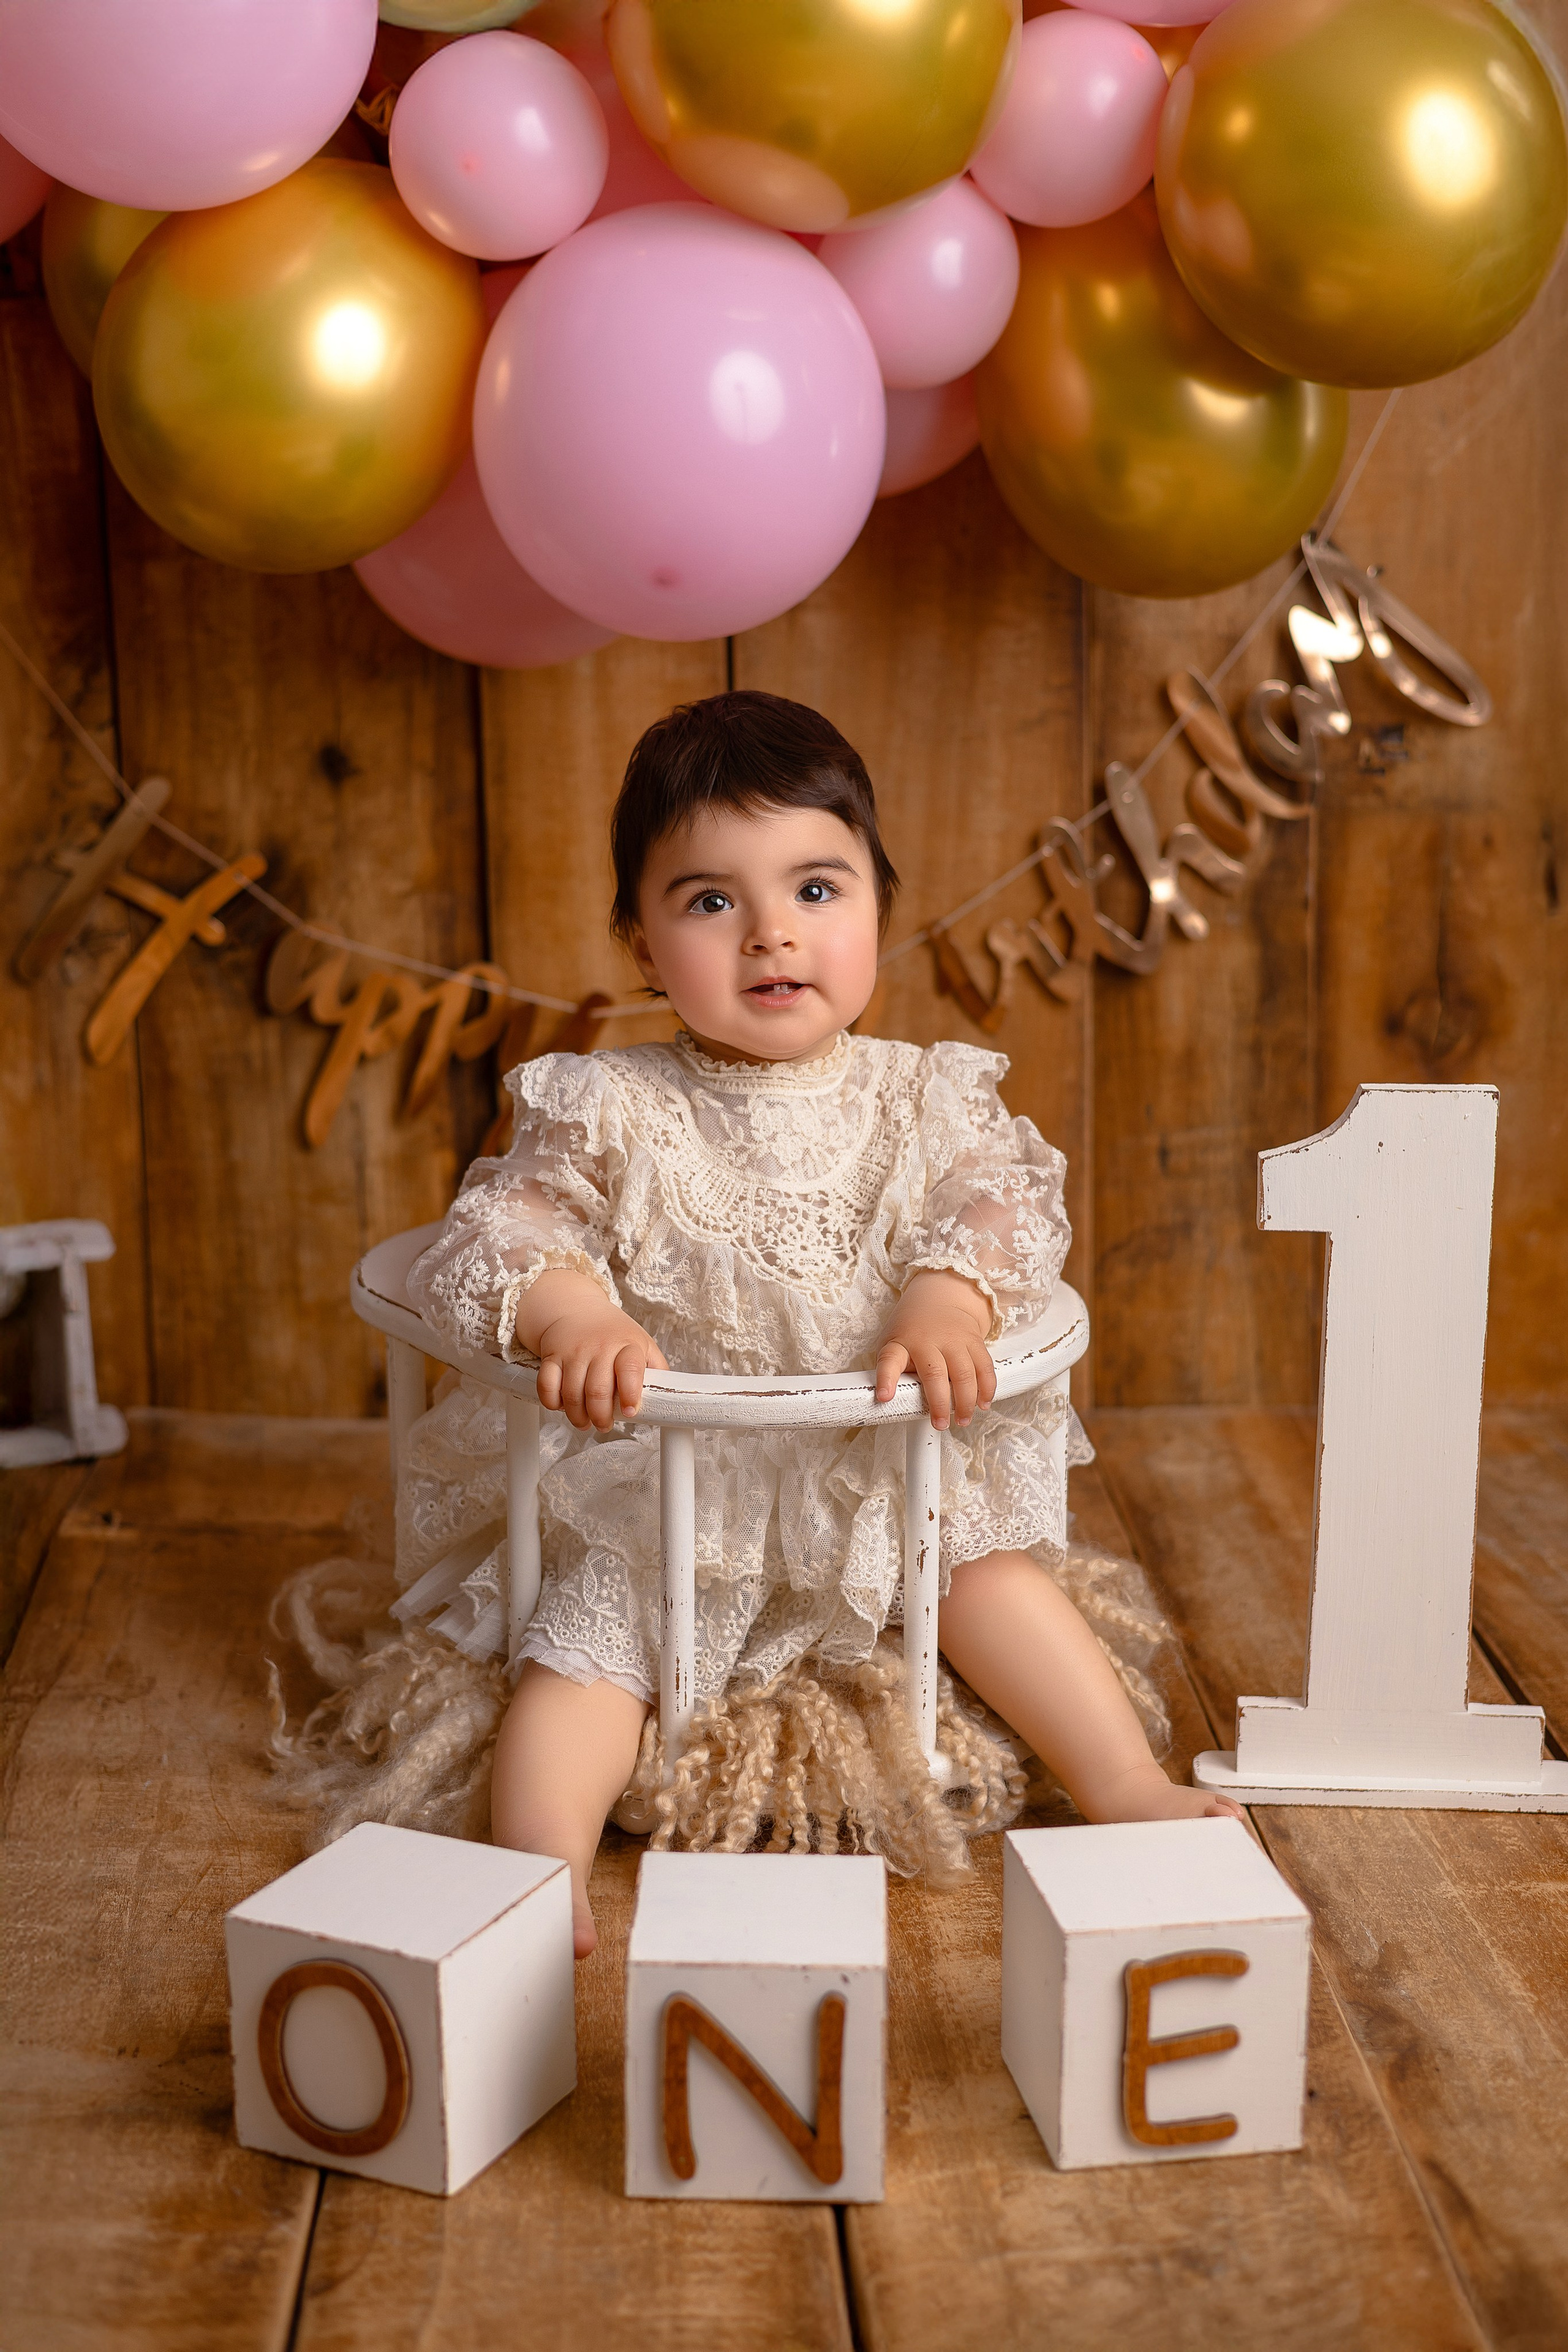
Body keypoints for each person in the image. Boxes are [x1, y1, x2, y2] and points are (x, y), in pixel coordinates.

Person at [336, 688, 1234, 1960]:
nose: (771, 933)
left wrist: (946, 1289)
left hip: (876, 1462)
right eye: (709, 901)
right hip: (671, 1487)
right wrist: (568, 1308)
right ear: (642, 945)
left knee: (988, 1576)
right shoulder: (609, 1105)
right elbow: (500, 1225)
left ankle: (1121, 1785)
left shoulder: (926, 1094)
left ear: (877, 903)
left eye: (817, 889)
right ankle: (537, 1863)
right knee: (583, 1652)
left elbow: (1006, 1201)